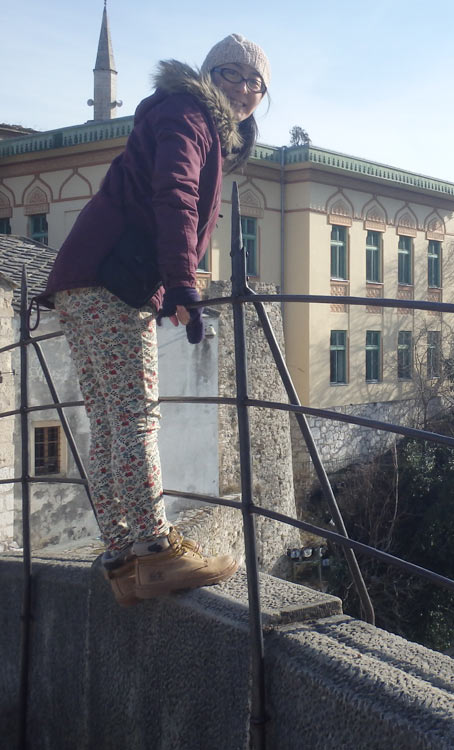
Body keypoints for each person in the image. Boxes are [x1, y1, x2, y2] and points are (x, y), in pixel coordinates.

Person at [39, 34, 271, 605]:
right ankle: (156, 549)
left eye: (256, 82)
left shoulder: (181, 113)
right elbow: (176, 195)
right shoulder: (189, 115)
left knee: (111, 420)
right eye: (232, 74)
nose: (244, 88)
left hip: (87, 279)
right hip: (112, 280)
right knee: (135, 418)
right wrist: (184, 282)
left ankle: (121, 558)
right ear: (209, 74)